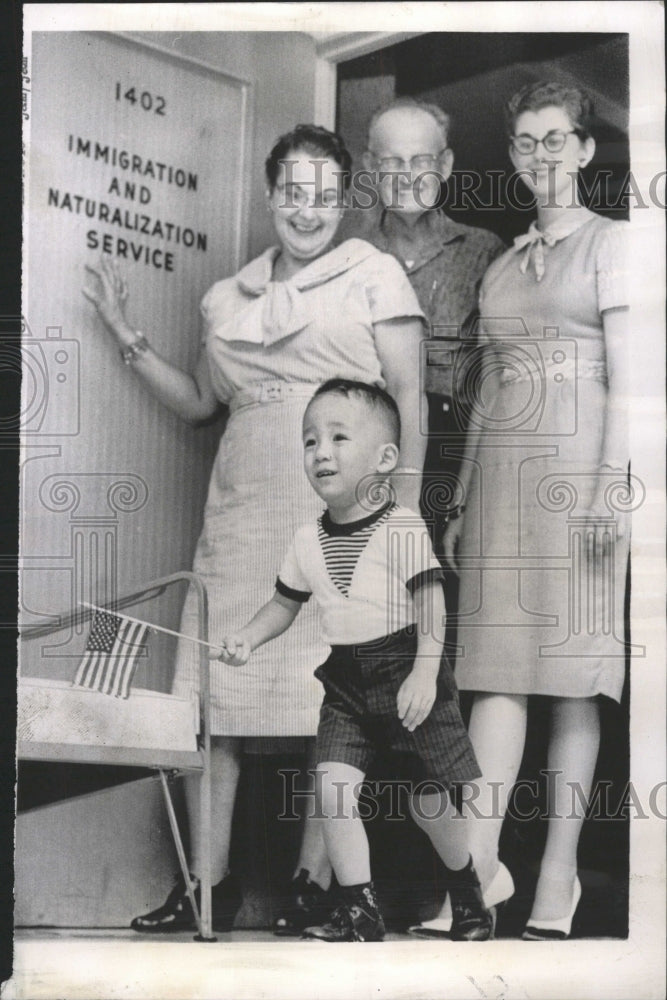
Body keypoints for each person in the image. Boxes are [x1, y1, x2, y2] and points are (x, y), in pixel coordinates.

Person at [82, 125, 426, 935]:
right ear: (271, 196)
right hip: (240, 507)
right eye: (291, 192)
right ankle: (207, 884)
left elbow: (408, 400)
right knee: (218, 698)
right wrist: (123, 332)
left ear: (346, 201)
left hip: (340, 510)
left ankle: (319, 884)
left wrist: (399, 508)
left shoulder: (373, 275)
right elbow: (204, 402)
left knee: (329, 697)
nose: (306, 210)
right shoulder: (226, 296)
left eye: (324, 194)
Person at [411, 80, 629, 940]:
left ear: (581, 150)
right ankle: (478, 877)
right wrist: (458, 502)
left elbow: (635, 382)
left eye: (555, 139)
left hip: (578, 476)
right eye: (526, 143)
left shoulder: (614, 246)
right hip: (499, 479)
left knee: (573, 680)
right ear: (514, 158)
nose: (540, 155)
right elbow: (485, 390)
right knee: (494, 677)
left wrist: (614, 482)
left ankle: (557, 879)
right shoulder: (503, 260)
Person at [214, 379, 494, 942]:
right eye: (310, 441)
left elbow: (432, 608)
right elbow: (282, 606)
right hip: (346, 679)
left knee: (431, 804)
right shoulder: (305, 540)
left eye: (339, 438)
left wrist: (422, 673)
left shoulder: (403, 528)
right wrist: (246, 637)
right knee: (333, 788)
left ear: (386, 458)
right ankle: (358, 909)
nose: (321, 452)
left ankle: (467, 893)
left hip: (409, 669)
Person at [341, 96, 504, 549]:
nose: (408, 174)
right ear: (372, 167)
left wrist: (466, 493)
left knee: (435, 601)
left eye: (422, 160)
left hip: (452, 458)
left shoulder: (484, 251)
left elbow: (496, 379)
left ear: (446, 164)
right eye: (392, 161)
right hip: (364, 445)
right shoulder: (349, 256)